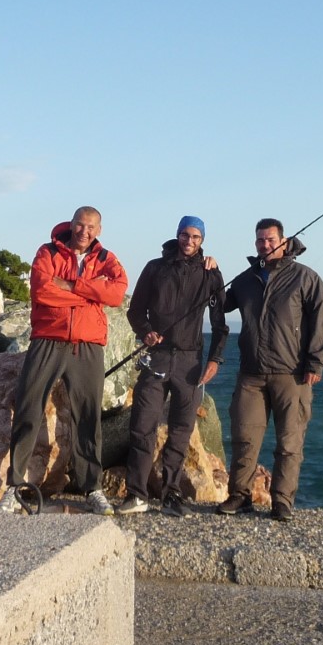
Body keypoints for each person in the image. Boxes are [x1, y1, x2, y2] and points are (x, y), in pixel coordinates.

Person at [0, 207, 128, 516]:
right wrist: (92, 295)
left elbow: (116, 294)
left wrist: (72, 285)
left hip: (87, 346)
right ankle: (14, 486)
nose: (84, 231)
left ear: (99, 229)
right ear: (71, 224)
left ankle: (92, 488)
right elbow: (43, 292)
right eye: (80, 225)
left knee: (88, 417)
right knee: (28, 408)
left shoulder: (106, 258)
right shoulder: (48, 252)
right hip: (48, 340)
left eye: (91, 226)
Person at [217, 218, 323, 522]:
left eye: (270, 240)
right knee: (244, 438)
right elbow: (220, 303)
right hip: (251, 373)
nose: (265, 245)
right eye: (260, 240)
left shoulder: (305, 277)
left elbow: (322, 321)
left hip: (292, 373)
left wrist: (315, 362)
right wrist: (210, 273)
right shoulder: (245, 280)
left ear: (283, 241)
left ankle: (282, 501)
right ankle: (239, 496)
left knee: (289, 442)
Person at [116, 216, 228, 518]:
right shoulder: (155, 268)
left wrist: (215, 359)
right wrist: (146, 332)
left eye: (195, 237)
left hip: (191, 363)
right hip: (157, 358)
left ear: (202, 240)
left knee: (181, 430)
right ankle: (136, 495)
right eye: (184, 235)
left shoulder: (211, 274)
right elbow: (135, 312)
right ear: (177, 235)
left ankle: (171, 495)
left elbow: (220, 323)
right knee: (142, 426)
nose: (189, 241)